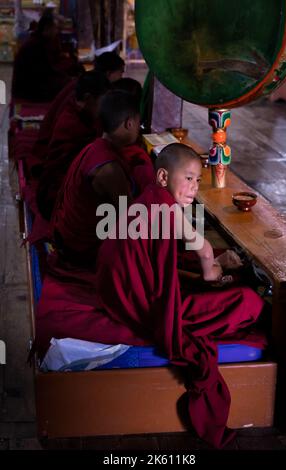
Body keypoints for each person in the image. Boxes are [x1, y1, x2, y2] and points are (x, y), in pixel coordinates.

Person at [94, 143, 266, 448]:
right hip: (141, 307)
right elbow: (204, 250)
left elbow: (159, 268)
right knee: (248, 302)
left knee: (205, 272)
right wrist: (213, 275)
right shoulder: (167, 209)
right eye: (187, 178)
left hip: (117, 294)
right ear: (162, 177)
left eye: (198, 180)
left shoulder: (147, 199)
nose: (194, 187)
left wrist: (206, 271)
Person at [50, 89, 155, 269]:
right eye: (139, 123)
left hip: (68, 238)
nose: (139, 128)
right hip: (84, 251)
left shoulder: (93, 147)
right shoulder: (109, 169)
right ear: (129, 123)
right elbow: (132, 220)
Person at [36, 70, 109, 221]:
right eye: (103, 102)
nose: (104, 109)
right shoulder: (73, 124)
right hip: (55, 199)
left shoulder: (80, 109)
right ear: (88, 98)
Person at [12, 9, 72, 102]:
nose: (56, 31)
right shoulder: (35, 46)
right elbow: (45, 73)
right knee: (66, 88)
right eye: (55, 28)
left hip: (33, 85)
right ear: (47, 28)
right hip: (27, 91)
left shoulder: (40, 42)